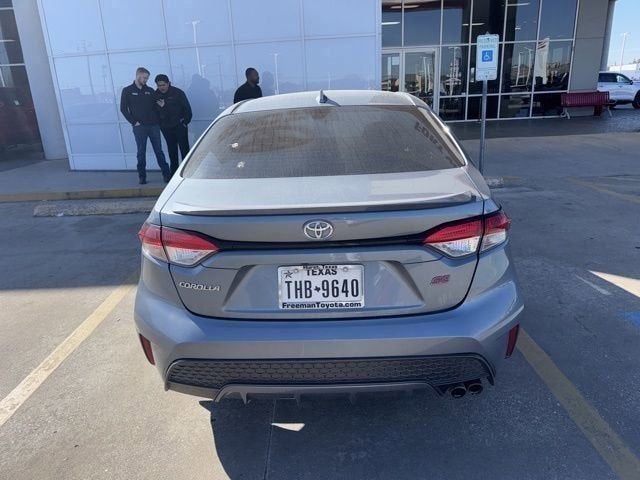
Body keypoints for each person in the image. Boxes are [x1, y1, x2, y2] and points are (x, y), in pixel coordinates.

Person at [120, 67, 171, 184]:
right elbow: (123, 109)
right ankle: (142, 176)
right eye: (145, 78)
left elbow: (157, 105)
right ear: (138, 76)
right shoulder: (127, 91)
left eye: (147, 78)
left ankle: (166, 175)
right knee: (141, 152)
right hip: (139, 128)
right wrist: (134, 122)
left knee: (159, 151)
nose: (146, 80)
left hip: (153, 126)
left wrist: (162, 106)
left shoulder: (150, 90)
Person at [154, 74, 192, 175]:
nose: (161, 87)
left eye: (163, 85)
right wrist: (161, 124)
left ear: (168, 83)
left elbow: (187, 109)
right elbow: (156, 113)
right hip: (166, 127)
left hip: (179, 126)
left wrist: (185, 122)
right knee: (172, 151)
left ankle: (187, 172)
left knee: (184, 150)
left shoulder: (178, 93)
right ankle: (174, 173)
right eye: (159, 85)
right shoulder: (156, 96)